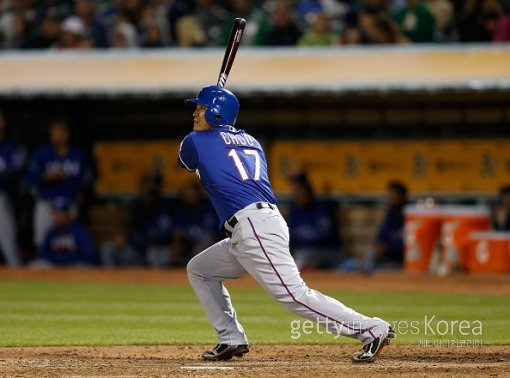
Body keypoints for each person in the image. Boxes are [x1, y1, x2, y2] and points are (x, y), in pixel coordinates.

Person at [179, 86, 395, 363]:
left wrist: (206, 128)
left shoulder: (196, 141)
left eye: (202, 108)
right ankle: (230, 337)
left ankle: (370, 328)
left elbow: (185, 161)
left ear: (218, 113)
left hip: (253, 225)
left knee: (294, 295)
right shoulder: (251, 140)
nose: (195, 112)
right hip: (259, 224)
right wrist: (212, 115)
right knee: (200, 270)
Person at [26, 119, 92, 248]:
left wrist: (81, 194)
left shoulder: (77, 155)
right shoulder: (42, 153)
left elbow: (87, 179)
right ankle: (44, 262)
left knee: (70, 239)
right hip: (46, 202)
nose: (54, 136)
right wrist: (47, 177)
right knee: (41, 238)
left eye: (58, 132)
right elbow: (29, 177)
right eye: (53, 133)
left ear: (67, 134)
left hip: (69, 204)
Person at [101, 172, 174, 267]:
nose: (150, 188)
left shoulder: (166, 208)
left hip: (158, 250)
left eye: (153, 185)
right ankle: (109, 280)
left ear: (159, 187)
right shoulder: (138, 206)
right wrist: (122, 237)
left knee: (152, 254)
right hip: (136, 251)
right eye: (147, 184)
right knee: (108, 248)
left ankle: (157, 281)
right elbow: (131, 231)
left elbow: (163, 236)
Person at [287, 172, 341, 270]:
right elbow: (290, 235)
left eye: (300, 191)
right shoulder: (294, 210)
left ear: (308, 191)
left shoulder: (321, 208)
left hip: (327, 251)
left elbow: (325, 236)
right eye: (295, 192)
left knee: (301, 256)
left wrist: (303, 237)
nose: (298, 195)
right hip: (304, 253)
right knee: (298, 258)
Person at [32, 196, 99, 267]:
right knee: (36, 265)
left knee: (82, 267)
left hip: (74, 267)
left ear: (68, 215)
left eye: (61, 213)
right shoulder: (51, 231)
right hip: (55, 266)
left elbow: (90, 256)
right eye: (55, 213)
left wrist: (66, 261)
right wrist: (56, 261)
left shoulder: (80, 231)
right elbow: (42, 254)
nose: (57, 217)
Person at [364, 181, 407, 272]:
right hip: (388, 258)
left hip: (402, 259)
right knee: (370, 254)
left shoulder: (408, 215)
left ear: (402, 197)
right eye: (389, 196)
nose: (391, 199)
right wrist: (380, 245)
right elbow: (381, 237)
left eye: (394, 196)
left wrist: (388, 247)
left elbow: (407, 243)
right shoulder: (390, 215)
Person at [171, 181, 219, 265]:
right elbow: (177, 236)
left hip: (206, 247)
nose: (190, 197)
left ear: (198, 194)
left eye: (192, 194)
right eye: (187, 195)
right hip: (187, 246)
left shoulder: (208, 210)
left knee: (199, 249)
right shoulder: (181, 212)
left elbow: (215, 236)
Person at [0, 111, 23, 267]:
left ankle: (18, 274)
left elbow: (14, 173)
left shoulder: (11, 147)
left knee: (8, 241)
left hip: (2, 196)